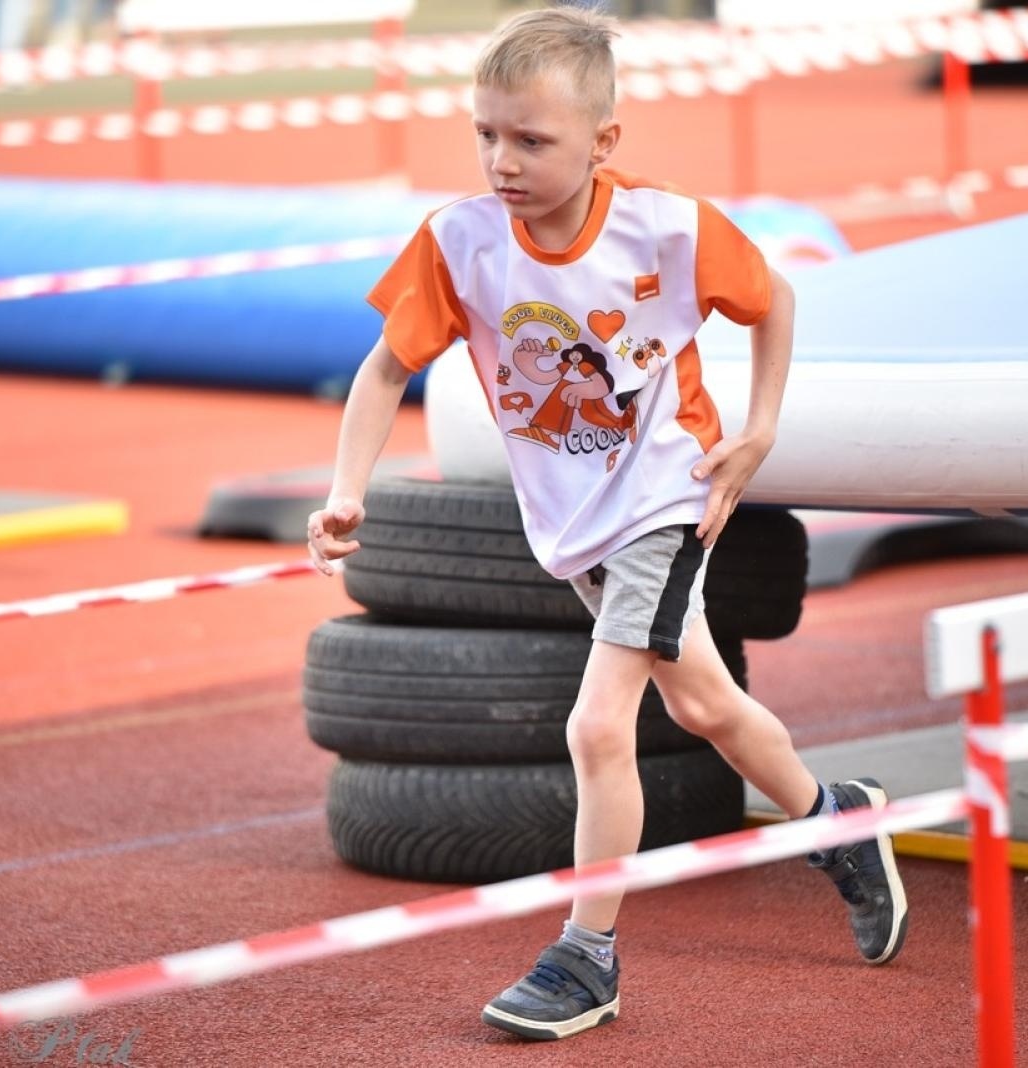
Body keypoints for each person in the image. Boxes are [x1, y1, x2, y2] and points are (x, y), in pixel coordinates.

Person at [305, 4, 908, 1042]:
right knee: (709, 710)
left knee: (597, 726)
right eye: (486, 134)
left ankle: (585, 957)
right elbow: (383, 367)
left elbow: (775, 302)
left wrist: (757, 433)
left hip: (664, 497)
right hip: (573, 517)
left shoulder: (664, 227)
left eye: (532, 140)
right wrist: (345, 488)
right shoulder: (460, 243)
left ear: (602, 141)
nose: (503, 160)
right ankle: (837, 818)